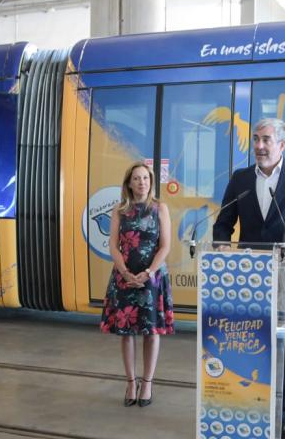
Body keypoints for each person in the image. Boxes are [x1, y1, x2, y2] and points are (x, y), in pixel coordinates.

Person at [212, 118, 285, 439]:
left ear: (282, 145)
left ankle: (283, 416)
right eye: (256, 139)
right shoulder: (240, 179)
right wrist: (221, 241)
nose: (259, 146)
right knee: (249, 345)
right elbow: (223, 223)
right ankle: (249, 407)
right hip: (247, 278)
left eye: (266, 140)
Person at [99, 162, 174, 408]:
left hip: (152, 278)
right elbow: (113, 245)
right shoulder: (119, 210)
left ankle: (148, 383)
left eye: (146, 178)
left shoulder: (160, 208)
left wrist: (148, 272)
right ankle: (131, 382)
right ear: (129, 183)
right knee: (127, 333)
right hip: (124, 277)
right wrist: (125, 272)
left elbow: (165, 246)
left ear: (151, 182)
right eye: (137, 179)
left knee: (151, 332)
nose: (142, 182)